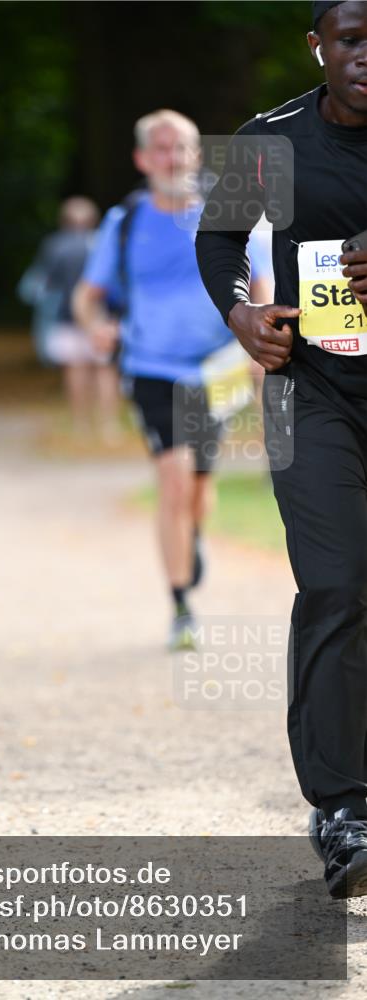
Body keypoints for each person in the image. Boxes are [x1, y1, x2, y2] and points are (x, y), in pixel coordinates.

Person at [195, 0, 367, 898]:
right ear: (318, 45)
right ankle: (343, 810)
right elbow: (219, 235)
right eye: (351, 39)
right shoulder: (270, 139)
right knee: (337, 584)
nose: (365, 56)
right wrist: (239, 313)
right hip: (311, 393)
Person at [74, 109, 266, 650]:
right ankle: (180, 604)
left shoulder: (227, 211)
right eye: (160, 148)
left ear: (196, 153)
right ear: (141, 159)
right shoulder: (125, 221)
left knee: (202, 486)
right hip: (151, 367)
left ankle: (193, 534)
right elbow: (87, 297)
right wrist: (96, 328)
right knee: (175, 478)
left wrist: (261, 336)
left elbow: (265, 279)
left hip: (219, 367)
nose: (172, 157)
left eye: (180, 147)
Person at [19, 197, 121, 441]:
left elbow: (42, 284)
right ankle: (109, 426)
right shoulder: (104, 242)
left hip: (67, 316)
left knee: (76, 369)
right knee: (105, 370)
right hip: (102, 315)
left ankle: (81, 426)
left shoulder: (55, 245)